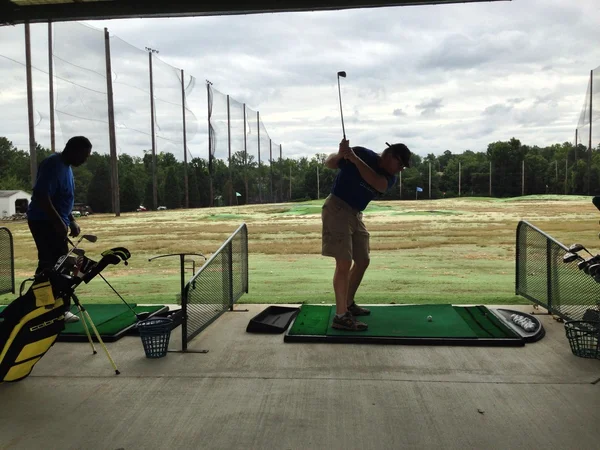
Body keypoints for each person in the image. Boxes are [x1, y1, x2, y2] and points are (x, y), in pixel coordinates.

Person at [322, 139, 411, 331]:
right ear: (389, 154)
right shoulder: (362, 153)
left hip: (355, 213)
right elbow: (329, 163)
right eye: (400, 163)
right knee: (343, 262)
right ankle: (340, 316)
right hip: (337, 207)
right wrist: (341, 154)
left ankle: (348, 302)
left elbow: (376, 183)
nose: (401, 169)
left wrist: (354, 160)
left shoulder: (388, 177)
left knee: (363, 260)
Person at [27, 136, 93, 323]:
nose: (85, 160)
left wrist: (71, 220)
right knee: (53, 265)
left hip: (54, 220)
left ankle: (44, 307)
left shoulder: (67, 167)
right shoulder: (52, 164)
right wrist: (57, 222)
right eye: (84, 155)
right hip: (43, 221)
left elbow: (61, 199)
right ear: (74, 150)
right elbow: (41, 195)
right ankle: (52, 310)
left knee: (57, 264)